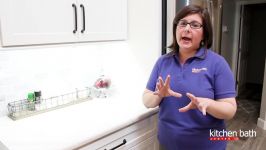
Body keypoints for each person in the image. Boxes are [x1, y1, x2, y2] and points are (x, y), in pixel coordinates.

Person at [142, 4, 237, 150]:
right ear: (176, 29)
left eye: (195, 25)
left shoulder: (217, 63)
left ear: (204, 34)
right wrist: (158, 95)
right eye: (183, 23)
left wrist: (208, 104)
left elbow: (230, 109)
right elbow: (147, 100)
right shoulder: (163, 61)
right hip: (167, 144)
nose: (187, 29)